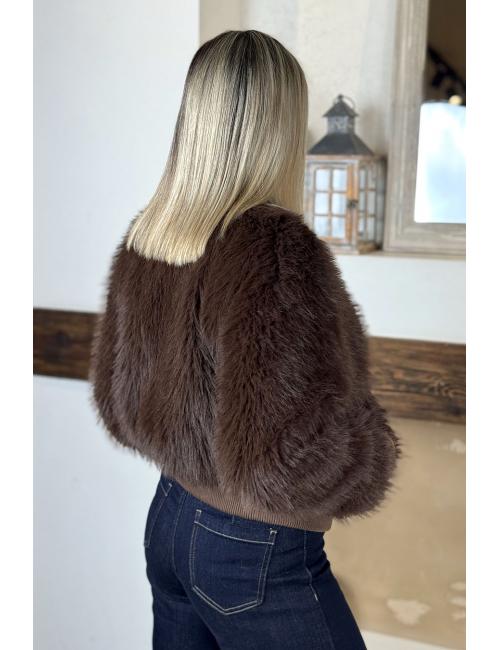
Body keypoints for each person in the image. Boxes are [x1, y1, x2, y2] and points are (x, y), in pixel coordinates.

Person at [88, 29, 401, 650]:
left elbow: (119, 398)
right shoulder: (274, 247)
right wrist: (371, 456)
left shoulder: (151, 234)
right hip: (252, 547)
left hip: (170, 517)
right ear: (280, 126)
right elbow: (289, 453)